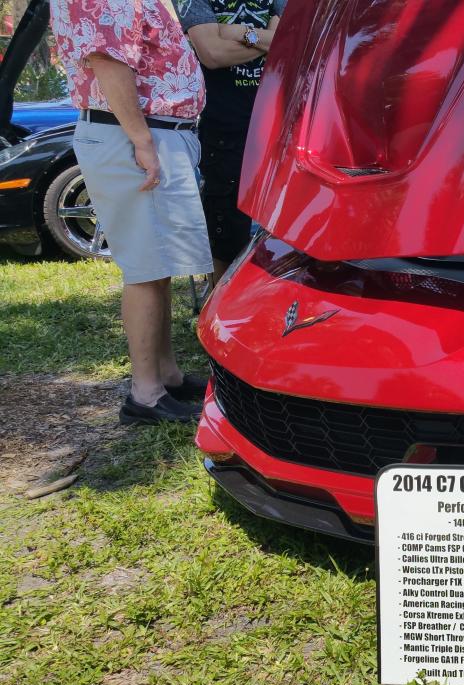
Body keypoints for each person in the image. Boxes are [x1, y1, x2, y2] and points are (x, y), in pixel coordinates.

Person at [49, 0, 211, 425]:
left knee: (156, 264)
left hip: (147, 134)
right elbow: (108, 62)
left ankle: (166, 376)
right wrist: (142, 142)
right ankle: (146, 393)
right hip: (134, 136)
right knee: (144, 267)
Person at [178, 0, 286, 287]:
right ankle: (219, 310)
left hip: (278, 126)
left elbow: (287, 44)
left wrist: (237, 32)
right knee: (225, 227)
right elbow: (212, 54)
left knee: (282, 228)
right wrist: (263, 40)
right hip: (224, 130)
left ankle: (270, 307)